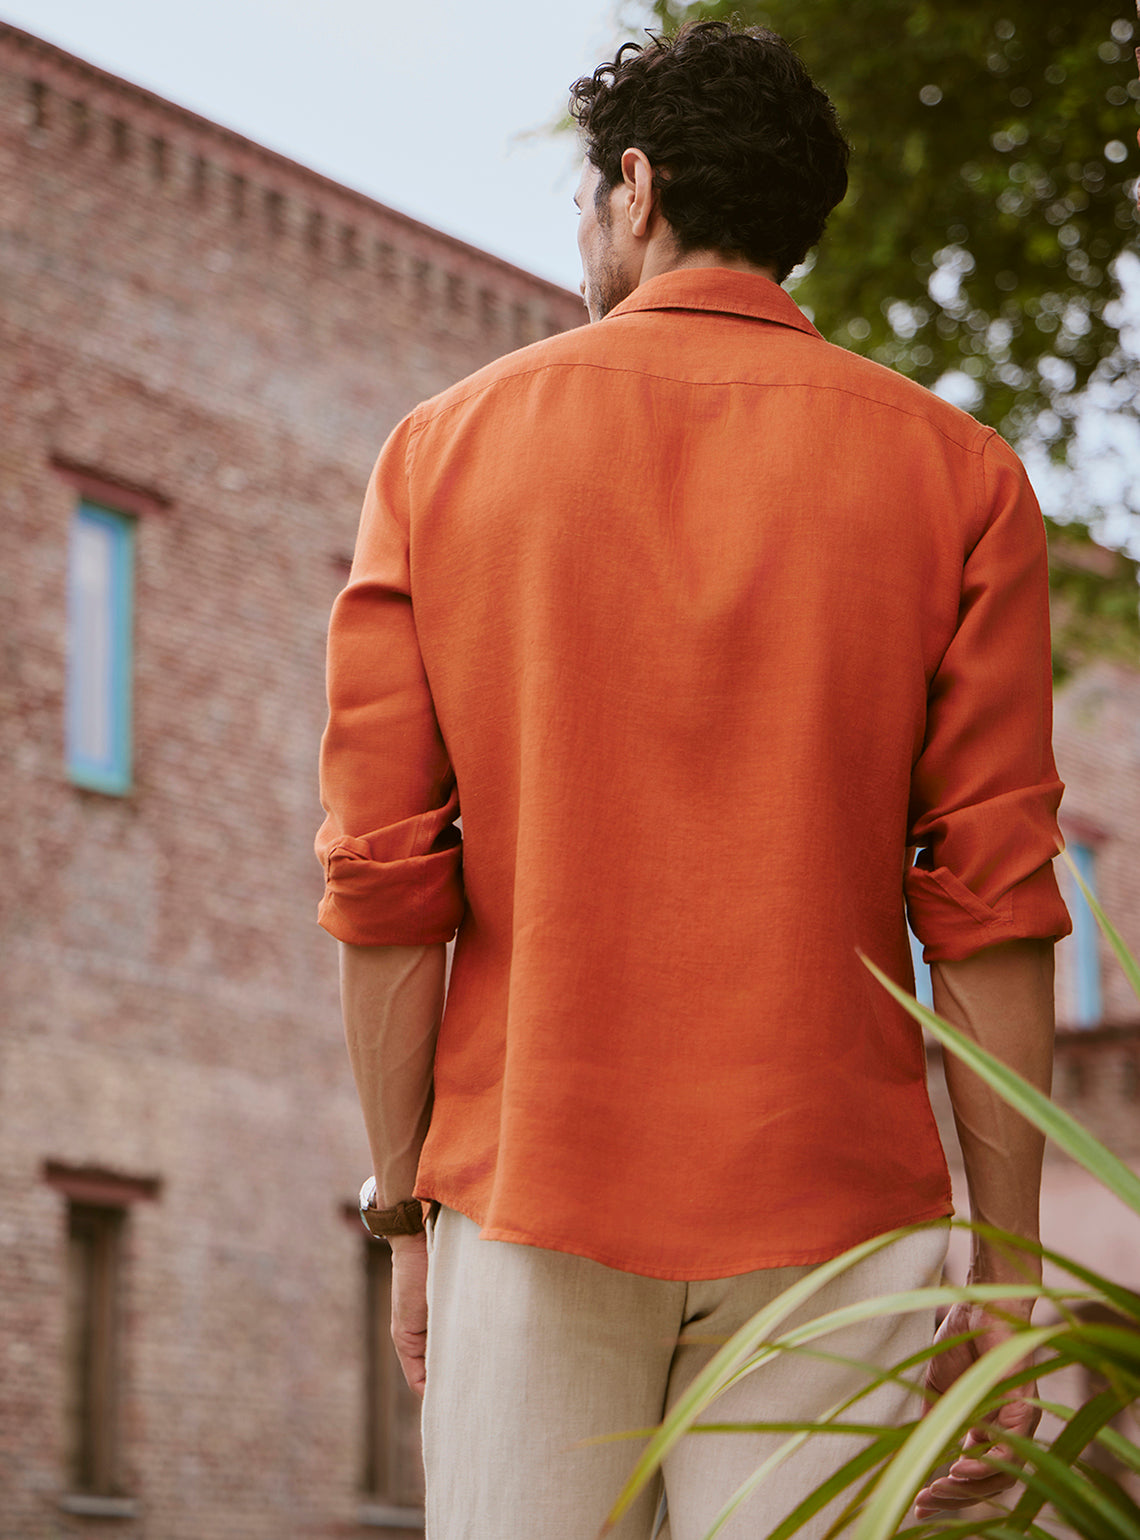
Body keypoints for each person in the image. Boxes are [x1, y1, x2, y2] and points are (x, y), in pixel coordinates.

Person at [316, 20, 1071, 1539]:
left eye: (586, 202)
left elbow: (389, 879)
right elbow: (992, 907)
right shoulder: (961, 477)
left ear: (636, 188)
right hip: (839, 1218)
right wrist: (1008, 1278)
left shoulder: (443, 453)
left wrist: (403, 1211)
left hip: (532, 1188)